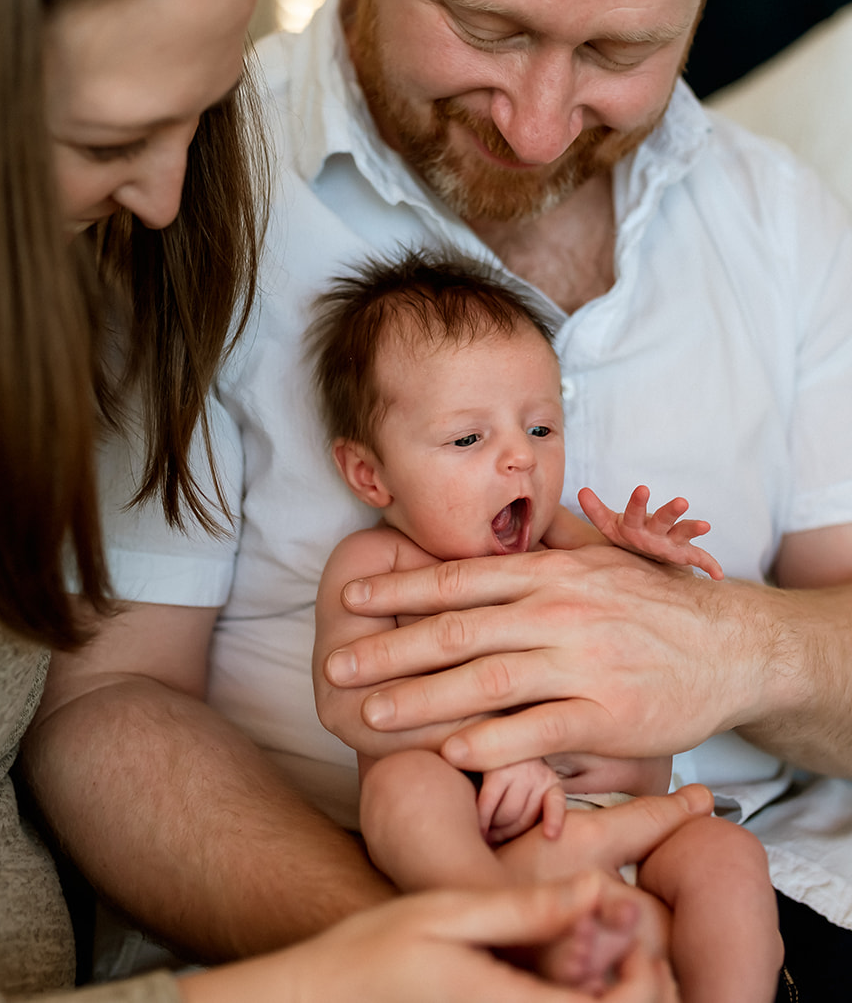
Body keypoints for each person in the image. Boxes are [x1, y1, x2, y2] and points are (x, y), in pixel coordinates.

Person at [57, 0, 852, 998]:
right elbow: (106, 710)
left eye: (622, 48)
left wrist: (734, 650)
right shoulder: (176, 192)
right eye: (486, 27)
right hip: (340, 904)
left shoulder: (776, 222)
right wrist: (472, 956)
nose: (536, 122)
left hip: (781, 869)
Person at [0, 0, 681, 1000]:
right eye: (107, 137)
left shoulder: (54, 229)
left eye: (205, 111)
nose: (163, 198)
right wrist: (332, 979)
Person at [306, 252, 781, 1000]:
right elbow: (349, 705)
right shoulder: (375, 565)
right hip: (480, 830)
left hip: (631, 818)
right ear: (371, 475)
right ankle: (499, 920)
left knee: (730, 859)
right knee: (403, 790)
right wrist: (490, 750)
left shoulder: (561, 533)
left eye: (539, 428)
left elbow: (657, 634)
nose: (518, 460)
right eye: (468, 440)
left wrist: (654, 563)